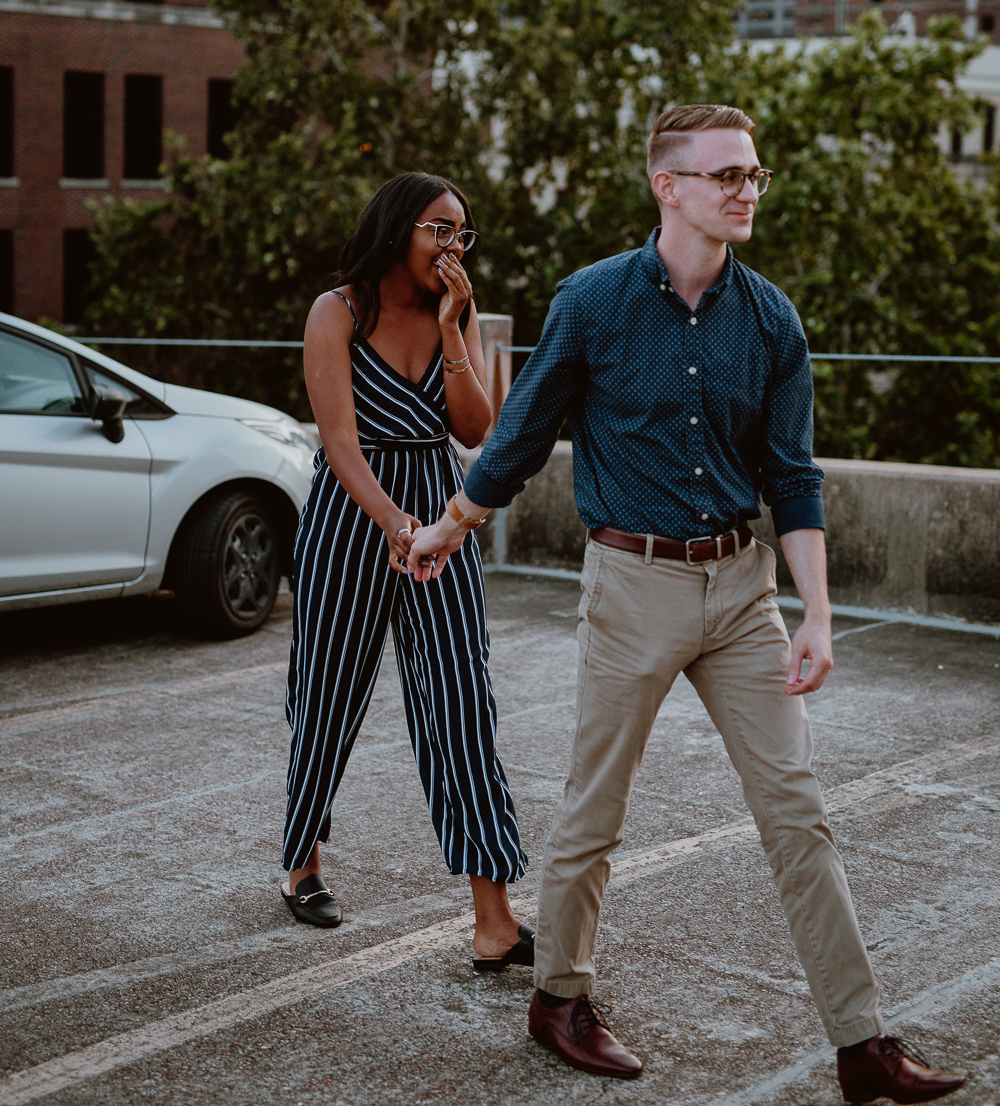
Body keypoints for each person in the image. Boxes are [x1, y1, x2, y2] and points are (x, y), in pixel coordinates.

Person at [406, 106, 967, 1099]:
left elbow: (793, 479)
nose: (745, 189)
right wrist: (449, 526)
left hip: (742, 590)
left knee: (799, 816)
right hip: (631, 583)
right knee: (596, 809)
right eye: (723, 176)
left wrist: (818, 614)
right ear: (667, 187)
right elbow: (522, 435)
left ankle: (861, 1045)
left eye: (752, 173)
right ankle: (560, 998)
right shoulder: (591, 302)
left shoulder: (772, 321)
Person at [282, 172, 533, 974]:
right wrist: (394, 522)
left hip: (443, 517)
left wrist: (457, 330)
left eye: (463, 234)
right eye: (439, 230)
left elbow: (476, 432)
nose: (454, 247)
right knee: (326, 691)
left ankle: (493, 918)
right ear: (397, 229)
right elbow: (340, 444)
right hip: (353, 517)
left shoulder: (452, 313)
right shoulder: (340, 310)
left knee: (463, 702)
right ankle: (303, 860)